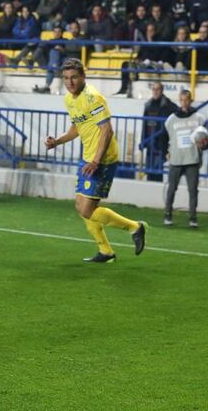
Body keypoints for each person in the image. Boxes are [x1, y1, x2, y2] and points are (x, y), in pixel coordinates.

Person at [44, 58, 147, 263]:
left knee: (87, 209)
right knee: (81, 207)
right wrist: (58, 141)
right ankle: (106, 252)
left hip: (103, 159)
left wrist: (96, 161)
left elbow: (107, 130)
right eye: (65, 78)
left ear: (83, 77)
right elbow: (77, 127)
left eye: (74, 77)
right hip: (88, 158)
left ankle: (135, 227)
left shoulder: (93, 97)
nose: (70, 82)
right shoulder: (69, 99)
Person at [163, 90, 206, 227]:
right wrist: (166, 151)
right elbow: (165, 137)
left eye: (186, 100)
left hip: (192, 158)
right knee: (172, 189)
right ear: (179, 100)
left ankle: (193, 218)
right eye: (181, 100)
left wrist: (202, 147)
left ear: (191, 100)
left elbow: (205, 139)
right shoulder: (171, 119)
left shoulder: (199, 118)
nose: (184, 102)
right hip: (176, 158)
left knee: (193, 190)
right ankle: (167, 214)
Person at [141, 83, 178, 182]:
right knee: (149, 172)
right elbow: (144, 125)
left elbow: (177, 115)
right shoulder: (148, 105)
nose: (155, 91)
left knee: (158, 172)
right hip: (150, 144)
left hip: (161, 144)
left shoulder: (169, 105)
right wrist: (143, 141)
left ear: (162, 91)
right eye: (154, 89)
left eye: (158, 89)